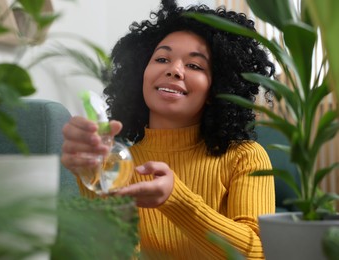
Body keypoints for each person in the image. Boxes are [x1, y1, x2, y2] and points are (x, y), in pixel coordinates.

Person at [61, 0, 276, 259]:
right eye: (162, 58)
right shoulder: (117, 163)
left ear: (216, 89)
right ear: (141, 73)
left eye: (194, 66)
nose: (174, 70)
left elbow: (259, 253)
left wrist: (177, 200)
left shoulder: (245, 157)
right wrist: (90, 179)